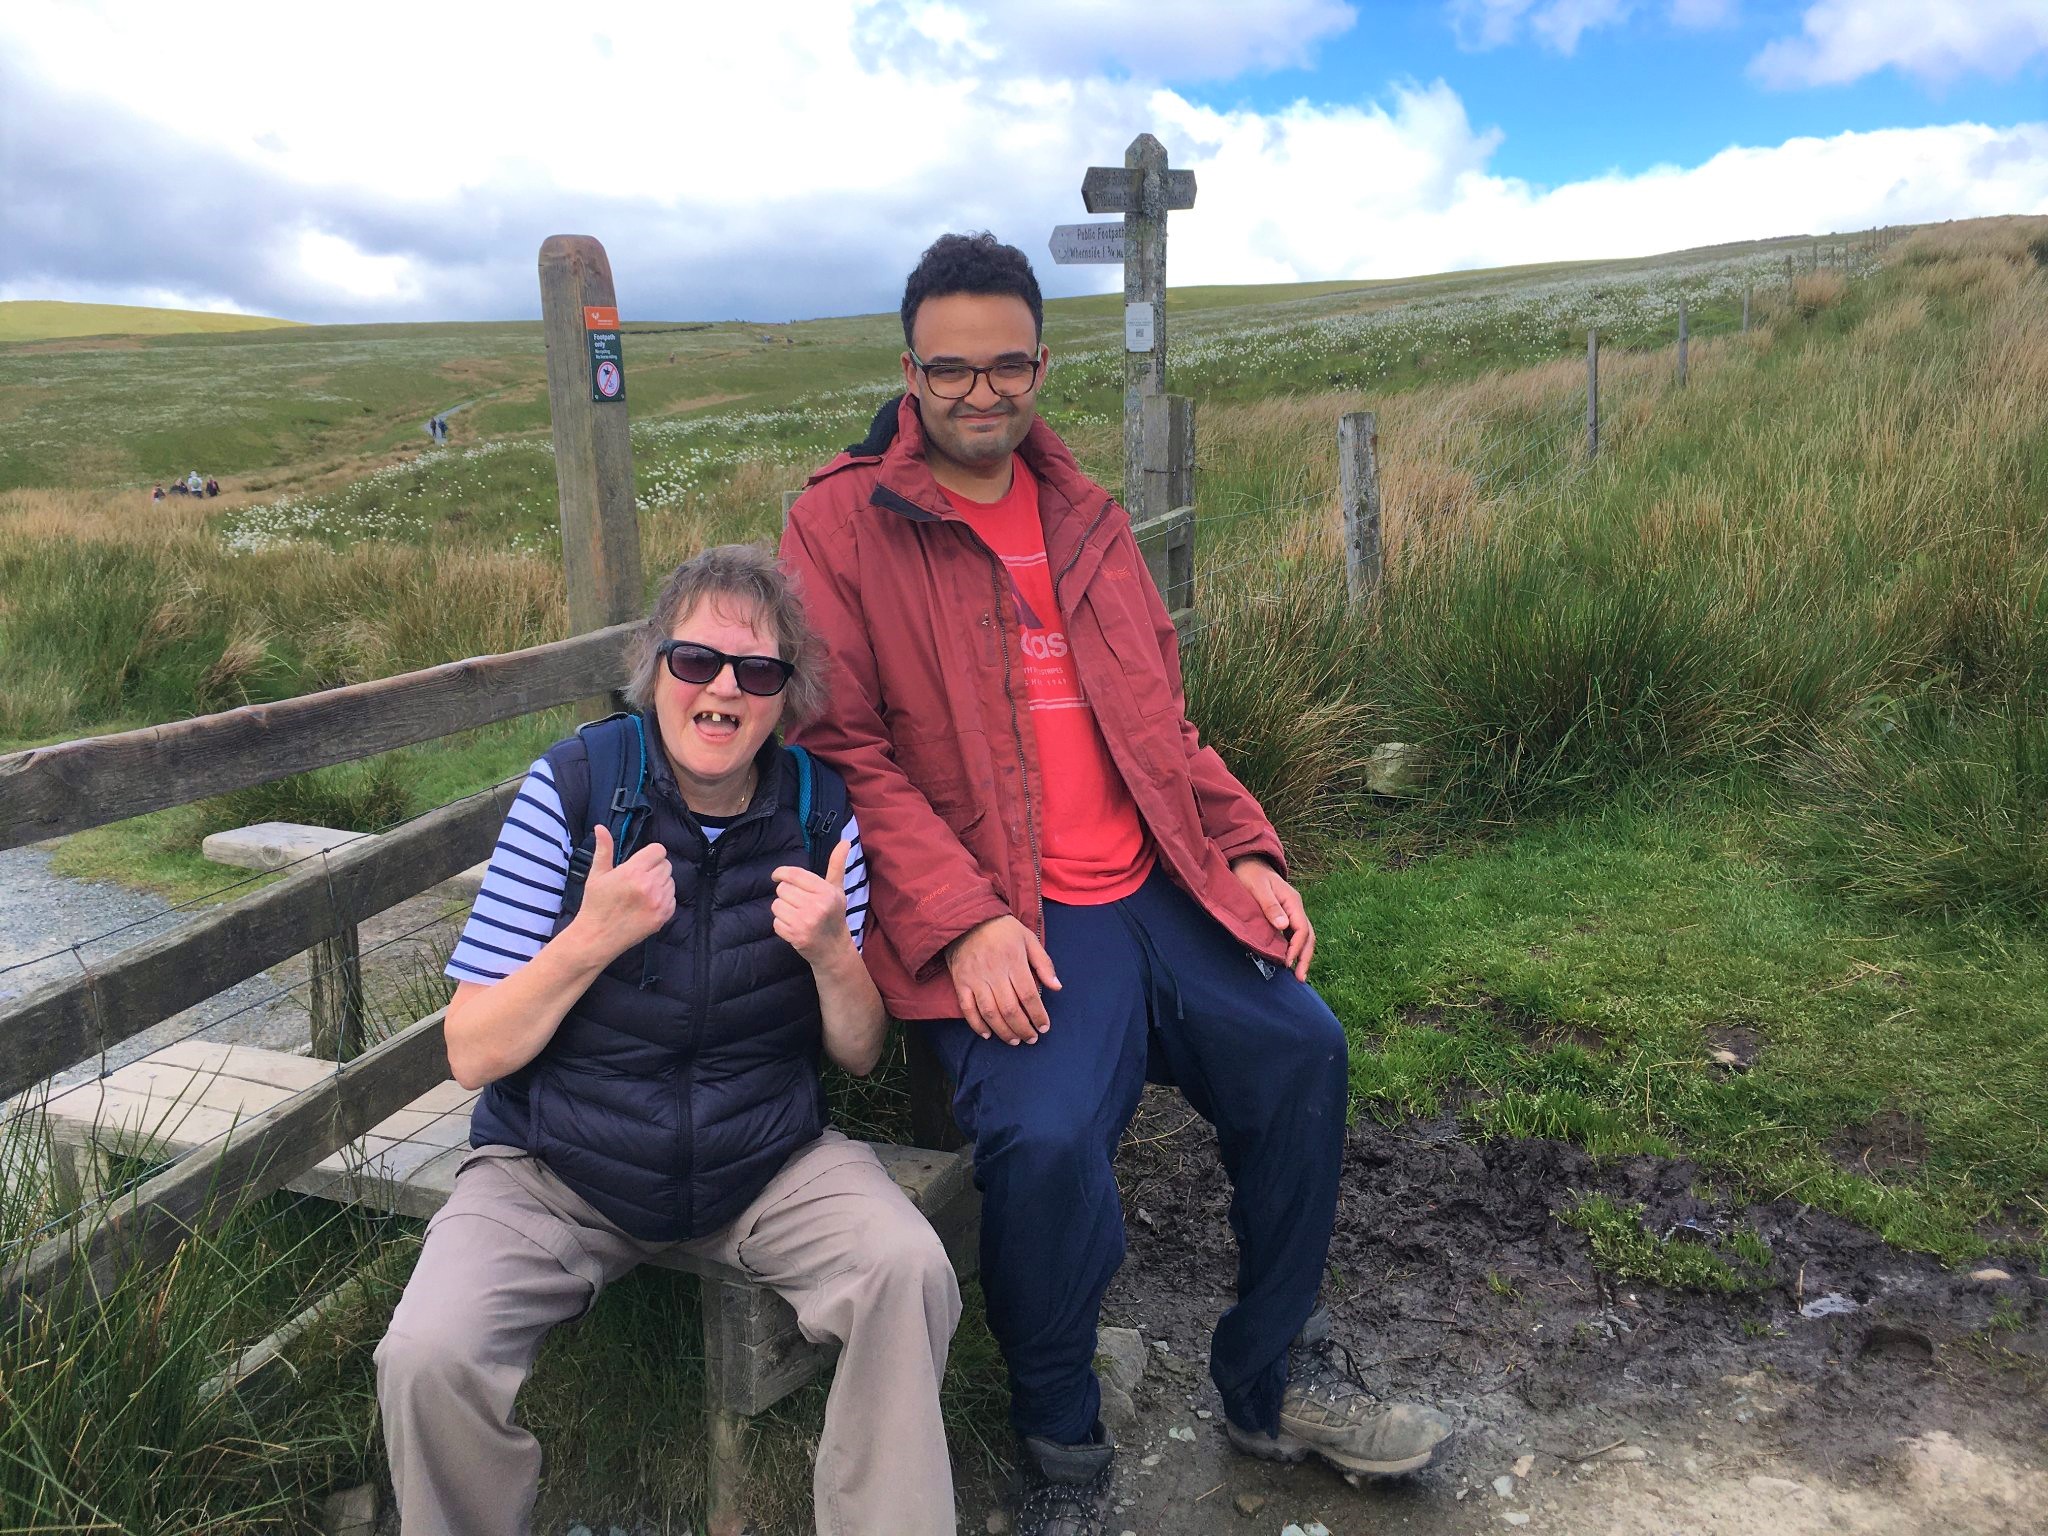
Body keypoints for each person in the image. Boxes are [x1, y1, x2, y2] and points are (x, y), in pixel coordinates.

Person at [780, 234, 1451, 1533]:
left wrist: (1245, 848)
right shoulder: (840, 525)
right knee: (1039, 1141)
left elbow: (1162, 724)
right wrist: (962, 917)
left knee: (1303, 1052)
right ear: (908, 369)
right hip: (1011, 908)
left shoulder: (1085, 517)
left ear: (1042, 360)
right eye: (951, 370)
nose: (982, 393)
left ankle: (1269, 1382)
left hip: (1156, 887)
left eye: (1008, 364)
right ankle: (1064, 1454)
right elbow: (841, 749)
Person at [374, 545, 961, 1536]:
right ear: (654, 672)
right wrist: (589, 940)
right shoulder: (571, 790)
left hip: (763, 1158)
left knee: (909, 1271)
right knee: (426, 1355)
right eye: (696, 662)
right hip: (557, 1163)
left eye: (757, 671)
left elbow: (858, 1051)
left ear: (784, 697)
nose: (724, 689)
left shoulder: (822, 812)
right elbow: (472, 1051)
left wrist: (831, 952)